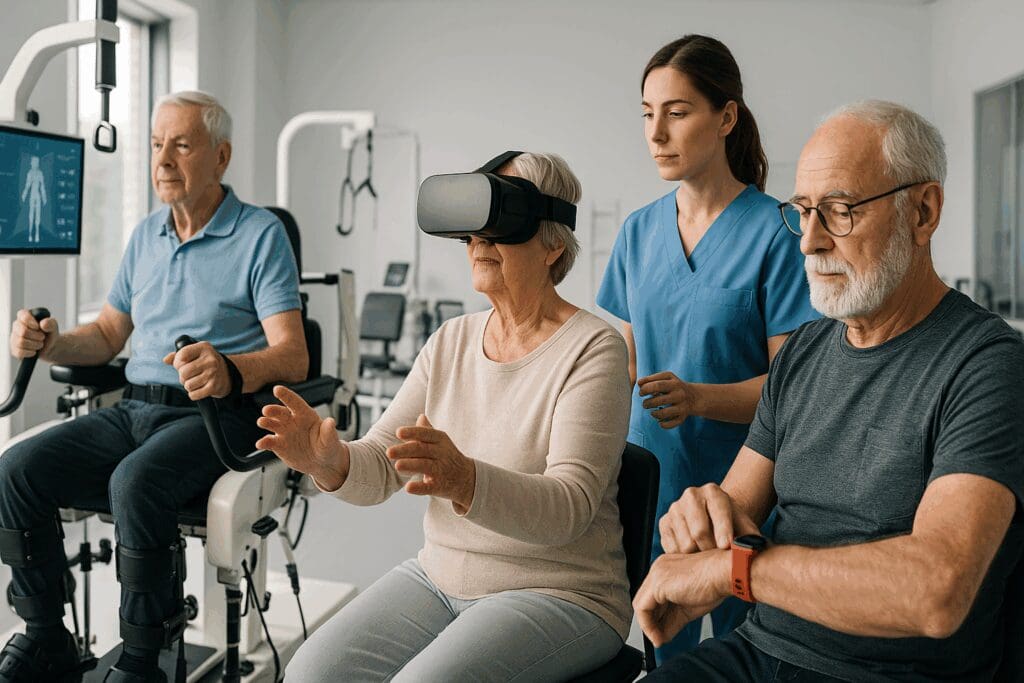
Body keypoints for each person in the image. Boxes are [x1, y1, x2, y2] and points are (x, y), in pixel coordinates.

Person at [636, 101, 1024, 682]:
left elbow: (935, 591)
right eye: (802, 212)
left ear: (923, 212)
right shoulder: (802, 354)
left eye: (840, 212)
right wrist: (700, 522)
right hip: (760, 652)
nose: (809, 242)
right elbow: (737, 508)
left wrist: (734, 573)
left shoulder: (987, 366)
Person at [260, 152, 633, 681]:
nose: (479, 240)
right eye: (473, 229)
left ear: (553, 243)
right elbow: (385, 464)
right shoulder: (451, 341)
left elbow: (569, 507)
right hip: (438, 578)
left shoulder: (593, 348)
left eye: (499, 223)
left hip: (560, 590)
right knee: (309, 674)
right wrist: (331, 461)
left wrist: (466, 479)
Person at [0, 90, 307, 683]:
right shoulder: (145, 236)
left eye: (181, 145)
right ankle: (46, 638)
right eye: (156, 144)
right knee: (16, 469)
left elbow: (293, 355)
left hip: (216, 415)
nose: (163, 159)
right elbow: (110, 334)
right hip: (135, 410)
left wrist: (231, 369)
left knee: (135, 482)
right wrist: (53, 343)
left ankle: (146, 660)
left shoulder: (260, 235)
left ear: (220, 157)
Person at [596, 34, 817, 659]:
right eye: (647, 113)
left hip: (747, 496)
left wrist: (696, 398)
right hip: (652, 492)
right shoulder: (639, 233)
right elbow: (627, 365)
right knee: (666, 655)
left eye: (677, 111)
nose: (656, 132)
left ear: (726, 117)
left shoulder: (778, 233)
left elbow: (792, 390)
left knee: (752, 657)